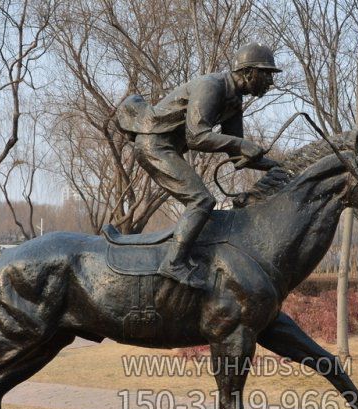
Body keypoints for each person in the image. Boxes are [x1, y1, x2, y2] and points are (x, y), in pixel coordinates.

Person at [115, 42, 281, 290]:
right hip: (153, 144)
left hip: (166, 147)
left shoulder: (234, 101)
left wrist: (278, 167)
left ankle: (191, 255)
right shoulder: (211, 86)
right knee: (201, 200)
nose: (270, 81)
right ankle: (173, 262)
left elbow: (237, 155)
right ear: (248, 72)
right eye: (266, 74)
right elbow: (196, 137)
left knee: (203, 202)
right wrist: (242, 144)